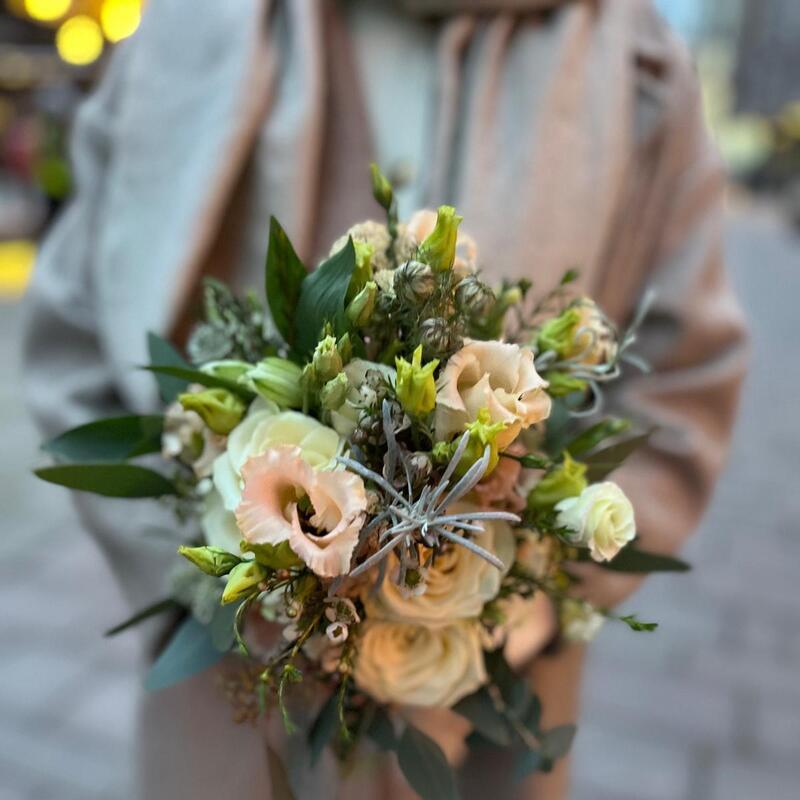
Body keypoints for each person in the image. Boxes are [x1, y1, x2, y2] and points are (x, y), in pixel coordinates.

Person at [22, 0, 748, 797]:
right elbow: (72, 331)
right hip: (230, 717)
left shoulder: (637, 64)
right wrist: (206, 581)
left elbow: (685, 375)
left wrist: (526, 603)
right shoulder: (190, 26)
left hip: (487, 727)